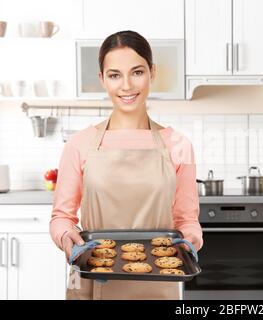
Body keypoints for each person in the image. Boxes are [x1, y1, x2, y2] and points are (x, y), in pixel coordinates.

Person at [49, 30, 203, 300]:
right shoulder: (79, 144)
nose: (127, 86)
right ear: (102, 80)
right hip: (88, 277)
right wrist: (65, 237)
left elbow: (186, 219)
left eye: (137, 72)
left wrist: (190, 239)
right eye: (114, 75)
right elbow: (62, 217)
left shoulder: (179, 145)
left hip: (157, 285)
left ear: (152, 73)